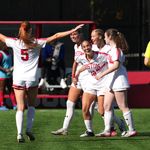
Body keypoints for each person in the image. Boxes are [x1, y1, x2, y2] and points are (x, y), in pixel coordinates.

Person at [0, 21, 84, 143]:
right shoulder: (37, 42)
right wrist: (72, 30)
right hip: (32, 77)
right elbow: (56, 36)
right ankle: (29, 129)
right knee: (32, 105)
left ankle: (19, 133)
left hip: (18, 77)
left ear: (20, 30)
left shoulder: (14, 42)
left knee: (20, 107)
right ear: (30, 31)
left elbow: (1, 36)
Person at [51, 30, 95, 135]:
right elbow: (75, 62)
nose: (73, 36)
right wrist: (74, 75)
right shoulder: (76, 47)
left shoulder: (89, 46)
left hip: (90, 80)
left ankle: (115, 125)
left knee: (98, 107)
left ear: (81, 35)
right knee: (70, 103)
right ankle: (64, 129)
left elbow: (97, 61)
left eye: (75, 34)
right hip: (79, 79)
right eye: (71, 34)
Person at [95, 28, 137, 137]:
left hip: (119, 81)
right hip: (111, 82)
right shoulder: (111, 49)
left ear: (110, 37)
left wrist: (101, 74)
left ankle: (132, 130)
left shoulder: (117, 50)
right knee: (106, 105)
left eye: (105, 36)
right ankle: (107, 130)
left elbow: (116, 65)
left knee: (123, 106)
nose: (104, 38)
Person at [91, 29, 126, 135]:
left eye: (93, 36)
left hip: (106, 81)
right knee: (101, 107)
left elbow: (116, 63)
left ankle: (118, 125)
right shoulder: (91, 48)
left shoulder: (110, 48)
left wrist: (102, 73)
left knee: (103, 109)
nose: (92, 39)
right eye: (91, 36)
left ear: (101, 37)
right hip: (94, 81)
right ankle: (109, 129)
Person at [0, 42, 17, 111]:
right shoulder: (1, 54)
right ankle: (1, 105)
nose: (7, 46)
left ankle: (15, 105)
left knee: (11, 91)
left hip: (9, 75)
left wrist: (12, 68)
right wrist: (5, 70)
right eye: (6, 45)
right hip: (2, 76)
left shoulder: (9, 52)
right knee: (2, 91)